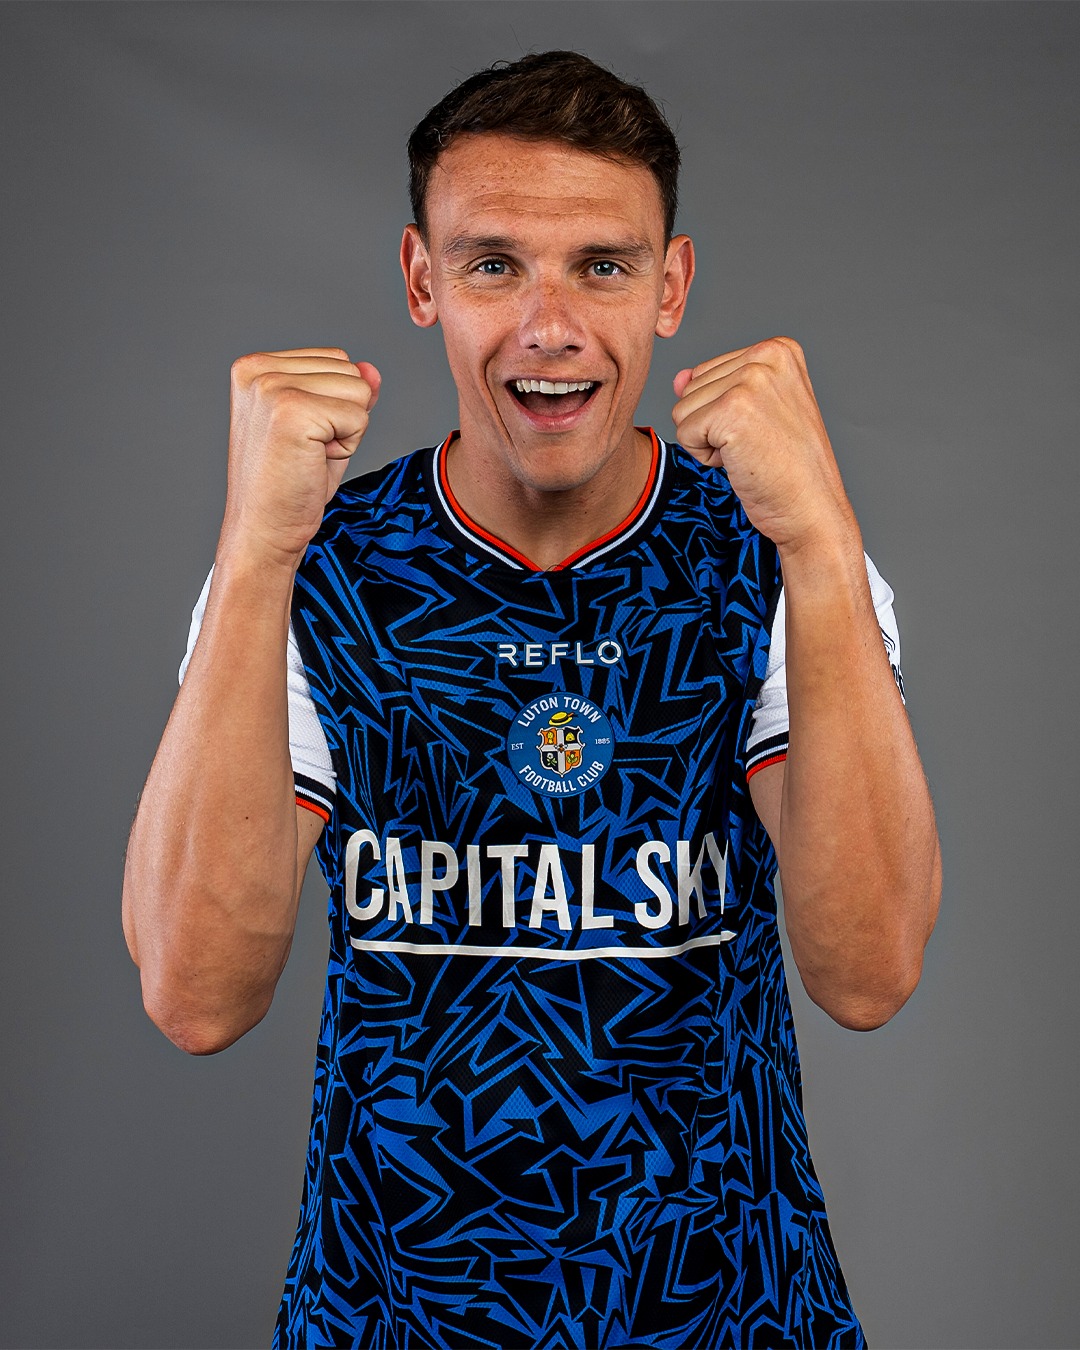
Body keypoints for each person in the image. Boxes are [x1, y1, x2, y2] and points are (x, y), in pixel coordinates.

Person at [123, 50, 940, 1349]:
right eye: (494, 264)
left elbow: (870, 970)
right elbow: (194, 995)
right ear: (421, 281)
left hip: (725, 1311)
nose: (549, 327)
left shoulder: (778, 556)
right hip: (392, 1313)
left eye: (602, 266)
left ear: (671, 287)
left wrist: (826, 543)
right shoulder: (313, 566)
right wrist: (257, 550)